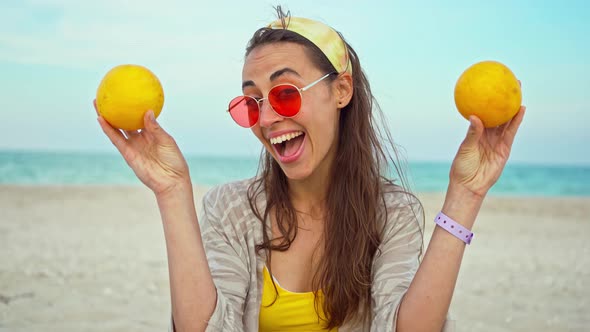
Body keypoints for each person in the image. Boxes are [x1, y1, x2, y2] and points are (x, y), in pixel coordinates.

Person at [94, 6, 525, 332]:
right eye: (251, 102)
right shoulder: (230, 209)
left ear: (341, 89)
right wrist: (171, 194)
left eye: (285, 93)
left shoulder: (392, 212)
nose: (265, 120)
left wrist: (466, 196)